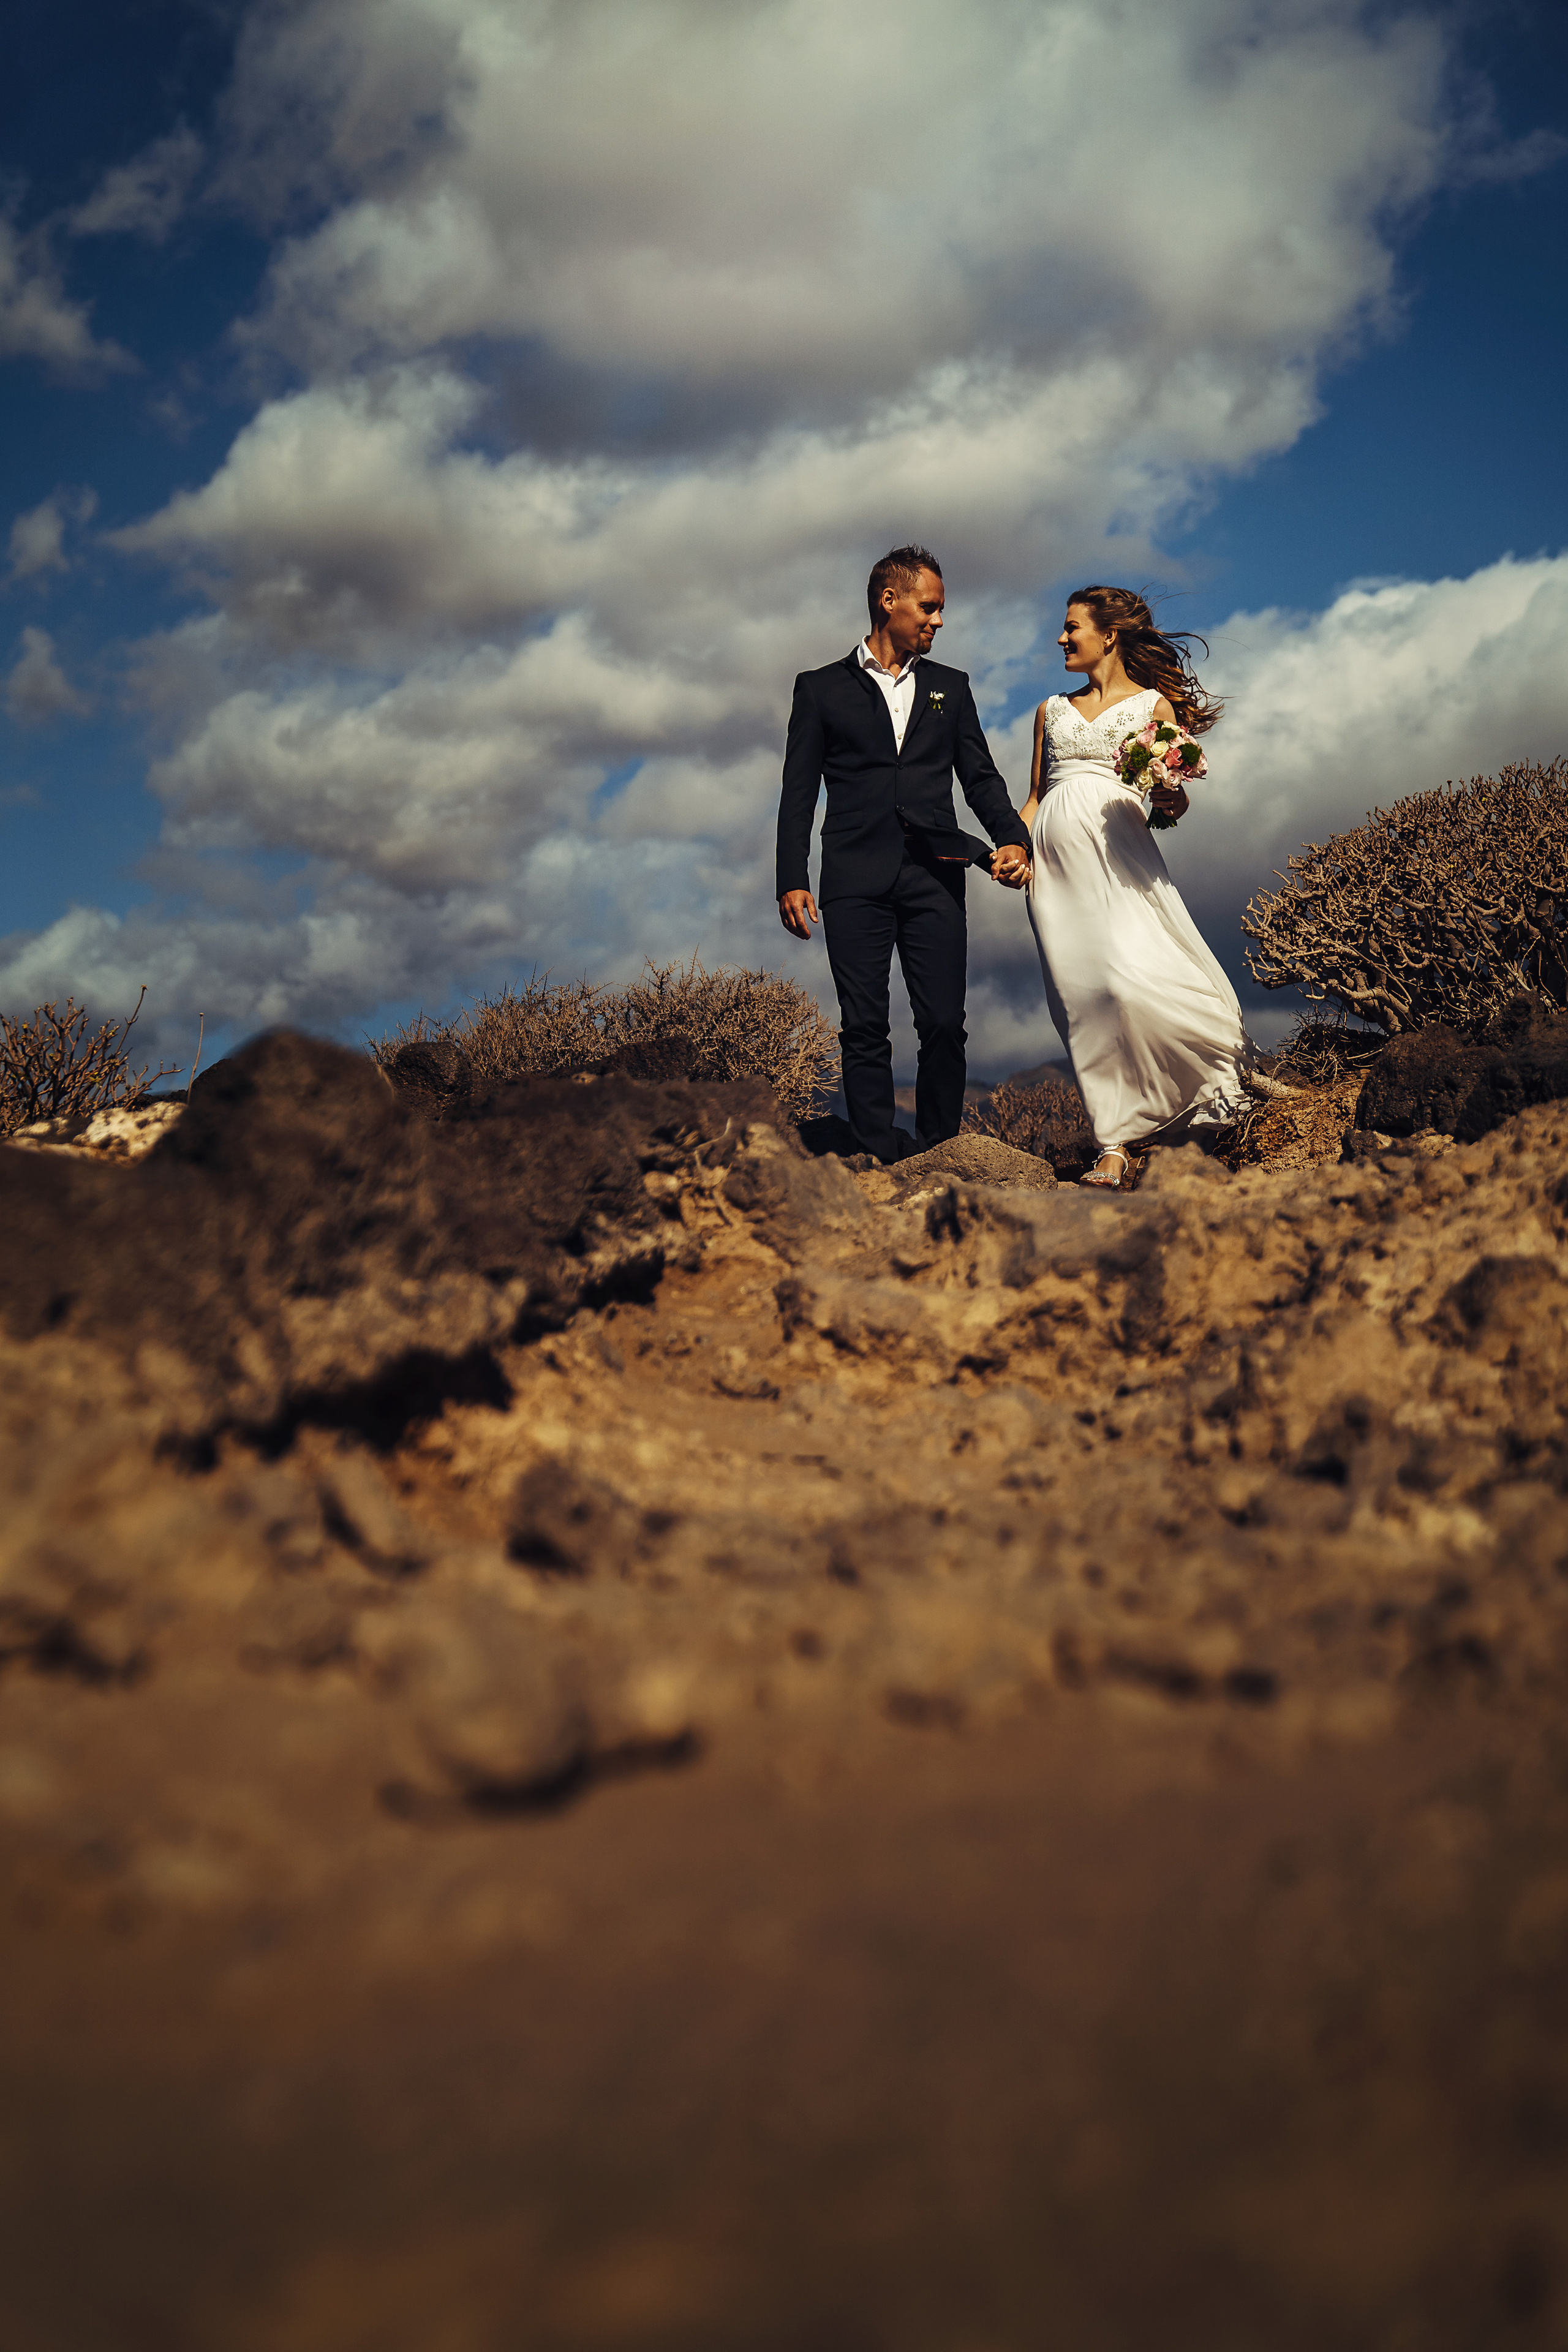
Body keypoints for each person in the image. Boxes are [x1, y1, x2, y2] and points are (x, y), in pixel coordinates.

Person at [777, 545, 1031, 1164]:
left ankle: (941, 1150)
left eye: (941, 610)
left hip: (936, 873)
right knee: (863, 1024)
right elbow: (798, 791)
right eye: (930, 606)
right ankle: (872, 1152)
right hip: (851, 876)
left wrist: (1012, 838)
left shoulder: (951, 688)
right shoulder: (818, 689)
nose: (938, 621)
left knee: (943, 1021)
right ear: (888, 601)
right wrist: (792, 876)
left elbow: (980, 778)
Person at [1013, 585, 1257, 1188]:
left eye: (1072, 626)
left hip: (1122, 863)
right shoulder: (1049, 710)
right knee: (1083, 1002)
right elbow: (1036, 798)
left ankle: (1223, 1084)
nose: (1062, 637)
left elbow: (1170, 808)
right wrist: (1013, 847)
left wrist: (1170, 791)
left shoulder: (1155, 708)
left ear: (1109, 634)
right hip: (1055, 876)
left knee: (1131, 986)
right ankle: (1113, 1148)